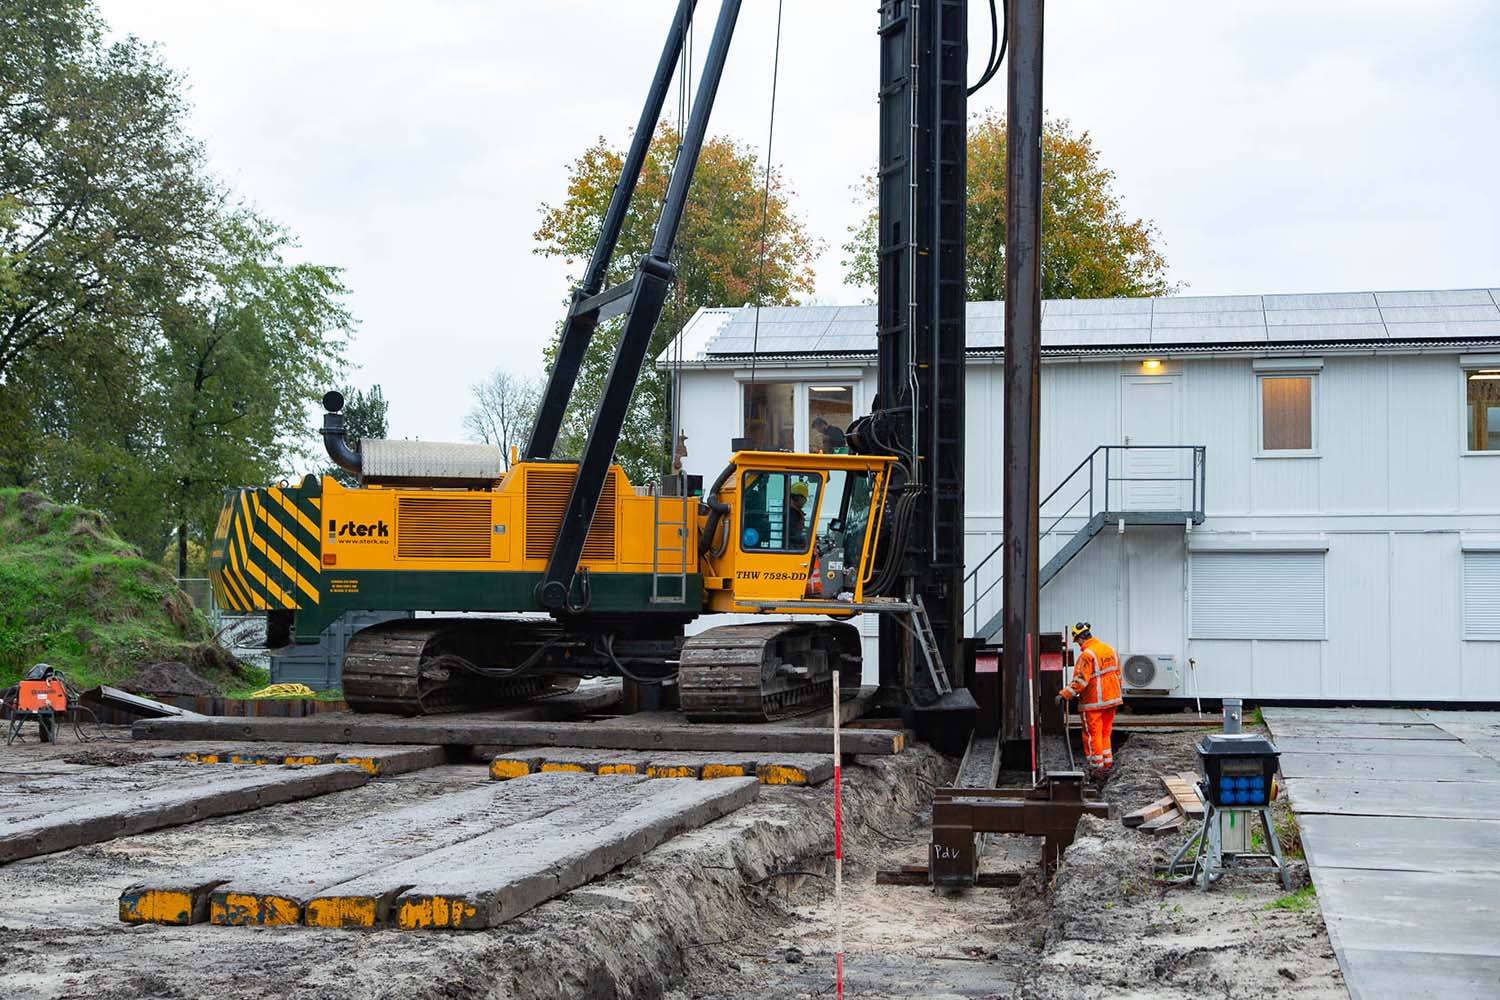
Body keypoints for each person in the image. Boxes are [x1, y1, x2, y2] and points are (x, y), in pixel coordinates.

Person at [1058, 622, 1122, 776]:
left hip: (1094, 703)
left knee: (1092, 735)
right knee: (1105, 733)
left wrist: (1064, 694)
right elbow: (1118, 675)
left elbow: (1081, 681)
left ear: (1080, 638)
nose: (1078, 644)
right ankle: (1107, 764)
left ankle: (1096, 768)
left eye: (1077, 641)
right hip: (1112, 700)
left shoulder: (1087, 655)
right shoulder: (1110, 650)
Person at [788, 480, 810, 548]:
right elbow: (792, 534)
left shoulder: (793, 511)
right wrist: (805, 539)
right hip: (792, 547)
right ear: (797, 497)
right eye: (804, 498)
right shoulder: (792, 513)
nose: (806, 500)